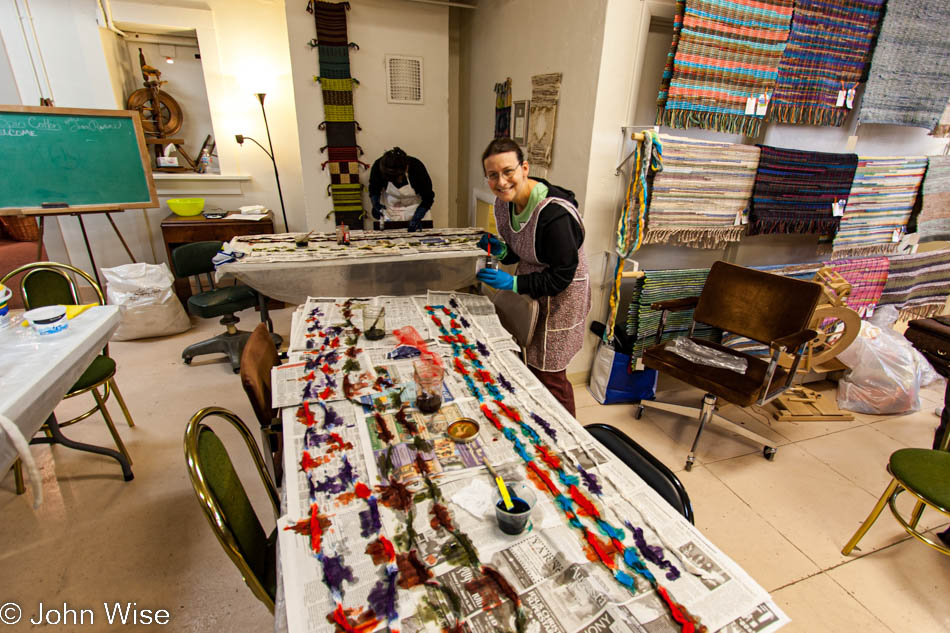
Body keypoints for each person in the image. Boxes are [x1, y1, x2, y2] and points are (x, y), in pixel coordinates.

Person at [475, 138, 590, 416]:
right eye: (493, 175)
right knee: (526, 360)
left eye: (508, 172)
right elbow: (519, 251)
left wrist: (513, 283)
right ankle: (538, 416)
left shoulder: (555, 215)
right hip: (533, 287)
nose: (501, 182)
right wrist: (502, 251)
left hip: (562, 297)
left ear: (524, 168)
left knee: (550, 374)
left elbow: (561, 276)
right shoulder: (503, 205)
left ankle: (569, 434)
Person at [368, 147, 434, 231]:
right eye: (390, 178)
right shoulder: (379, 166)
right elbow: (374, 189)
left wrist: (417, 217)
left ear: (406, 168)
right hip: (391, 211)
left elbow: (428, 197)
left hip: (416, 209)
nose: (396, 181)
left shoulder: (417, 167)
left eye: (397, 177)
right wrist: (375, 204)